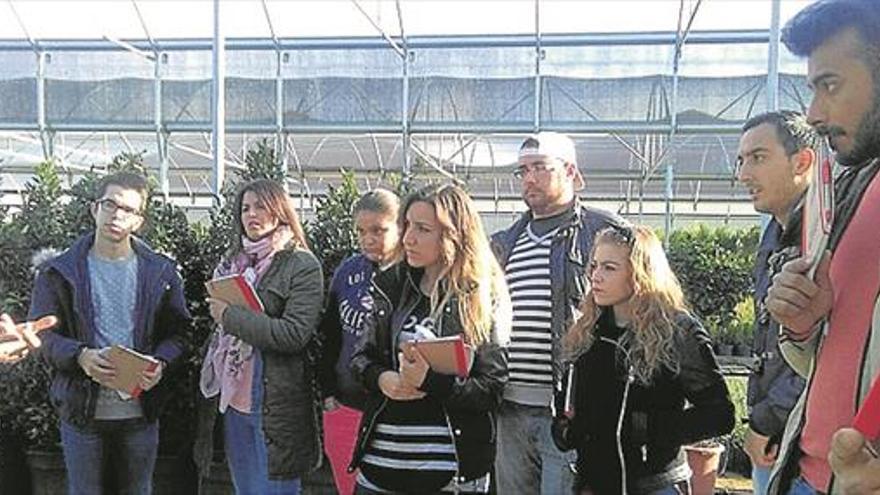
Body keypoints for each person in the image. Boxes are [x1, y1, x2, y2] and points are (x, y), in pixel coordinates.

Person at [766, 1, 880, 493]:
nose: (814, 113)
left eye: (829, 85)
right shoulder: (852, 188)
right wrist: (804, 323)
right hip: (806, 473)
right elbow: (826, 360)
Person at [28, 172, 191, 495]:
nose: (117, 215)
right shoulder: (59, 272)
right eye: (110, 204)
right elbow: (40, 336)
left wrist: (161, 364)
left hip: (140, 412)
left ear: (139, 221)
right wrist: (80, 357)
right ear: (94, 209)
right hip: (81, 411)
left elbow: (180, 334)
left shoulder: (161, 271)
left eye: (128, 210)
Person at [349, 184, 511, 494]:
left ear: (454, 234)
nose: (408, 237)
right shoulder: (389, 286)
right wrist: (382, 378)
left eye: (422, 229)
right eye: (407, 225)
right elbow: (360, 360)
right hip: (379, 469)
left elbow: (491, 390)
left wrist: (431, 381)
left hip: (450, 474)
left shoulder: (481, 296)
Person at [551, 225, 735, 495]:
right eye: (594, 266)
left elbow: (720, 415)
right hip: (594, 483)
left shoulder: (677, 331)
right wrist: (566, 427)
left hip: (654, 483)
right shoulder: (588, 330)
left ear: (640, 273)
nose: (595, 276)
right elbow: (571, 400)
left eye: (609, 268)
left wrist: (649, 429)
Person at [490, 131, 624, 494]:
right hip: (509, 405)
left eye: (540, 168)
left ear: (569, 171)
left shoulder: (604, 231)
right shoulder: (505, 242)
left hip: (567, 409)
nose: (529, 178)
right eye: (522, 171)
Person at [194, 179, 324, 494]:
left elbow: (294, 334)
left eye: (261, 206)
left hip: (275, 403)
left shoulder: (301, 264)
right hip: (233, 396)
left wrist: (228, 316)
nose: (251, 214)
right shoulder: (232, 262)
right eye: (245, 208)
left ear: (280, 210)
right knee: (245, 489)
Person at [736, 111, 817, 494]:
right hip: (782, 440)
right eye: (741, 161)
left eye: (758, 157)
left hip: (812, 446)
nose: (743, 174)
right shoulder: (776, 232)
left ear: (802, 161)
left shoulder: (826, 234)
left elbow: (822, 348)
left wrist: (768, 420)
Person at [319, 188, 401, 495]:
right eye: (361, 231)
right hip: (345, 406)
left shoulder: (412, 275)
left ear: (400, 228)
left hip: (392, 413)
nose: (368, 238)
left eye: (379, 230)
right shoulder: (347, 271)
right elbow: (330, 336)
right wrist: (328, 394)